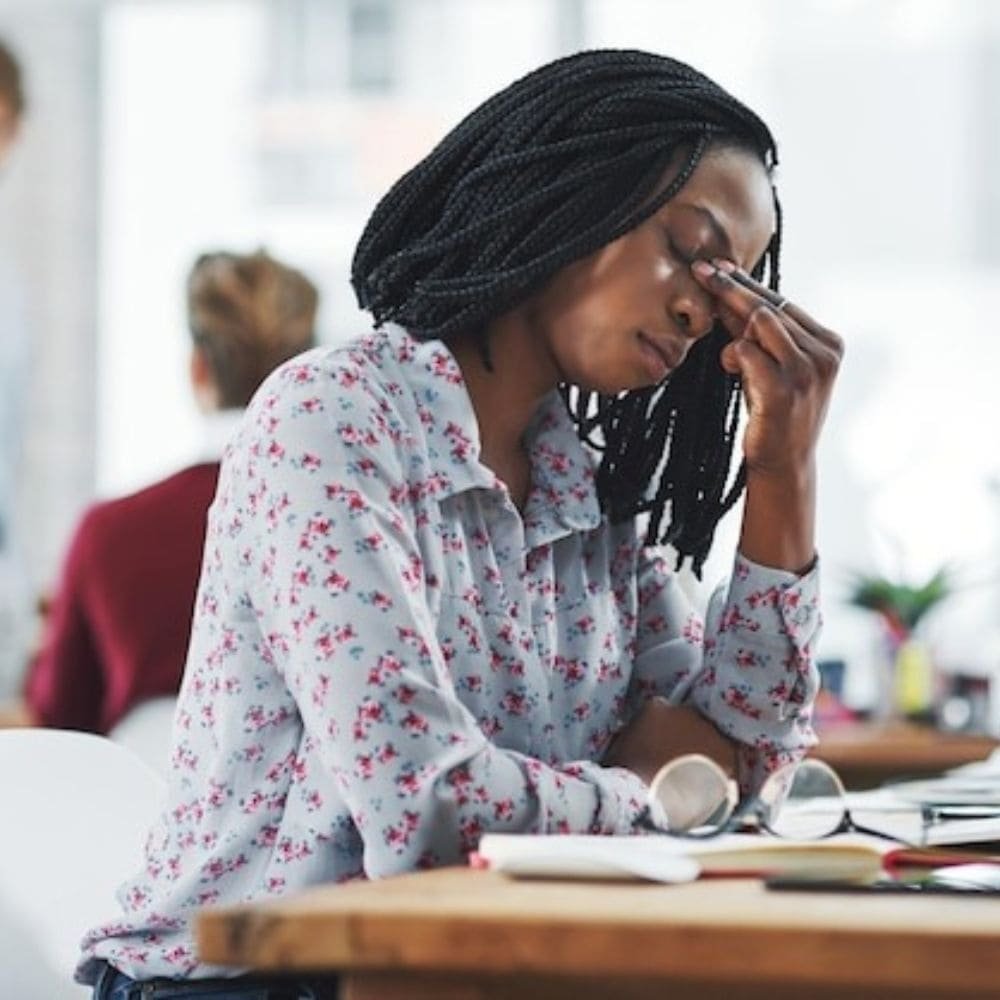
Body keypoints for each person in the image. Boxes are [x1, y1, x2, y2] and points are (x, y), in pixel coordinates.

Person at [81, 49, 842, 998]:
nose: (699, 308)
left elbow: (746, 766)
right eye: (689, 249)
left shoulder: (589, 496)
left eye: (731, 288)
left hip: (469, 968)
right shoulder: (330, 420)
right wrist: (656, 795)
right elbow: (424, 809)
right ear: (574, 194)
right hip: (246, 980)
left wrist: (783, 471)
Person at [0, 249, 318, 734]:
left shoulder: (109, 533)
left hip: (137, 780)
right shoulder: (353, 525)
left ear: (198, 369)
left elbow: (56, 722)